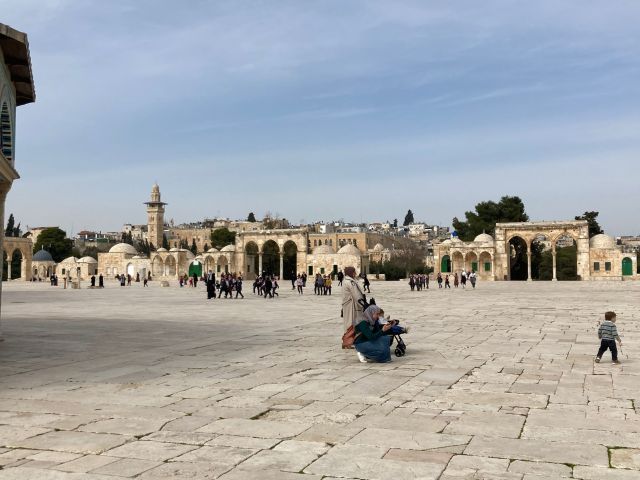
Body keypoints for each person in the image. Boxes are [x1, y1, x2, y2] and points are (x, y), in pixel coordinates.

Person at [341, 266, 366, 342]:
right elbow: (356, 295)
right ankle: (348, 341)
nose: (355, 273)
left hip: (348, 305)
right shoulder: (350, 282)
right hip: (351, 306)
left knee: (348, 322)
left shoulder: (346, 280)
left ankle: (348, 340)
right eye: (354, 272)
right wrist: (363, 305)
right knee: (351, 323)